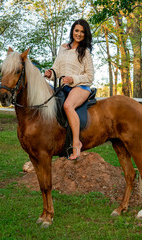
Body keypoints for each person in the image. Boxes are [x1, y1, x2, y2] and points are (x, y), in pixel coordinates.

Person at [44, 19, 94, 160]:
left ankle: (76, 144)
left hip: (80, 87)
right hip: (63, 87)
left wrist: (73, 79)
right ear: (72, 30)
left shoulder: (85, 52)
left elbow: (90, 76)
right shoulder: (63, 48)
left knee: (68, 106)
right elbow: (57, 68)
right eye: (76, 30)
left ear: (85, 34)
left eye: (82, 32)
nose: (78, 34)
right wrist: (50, 73)